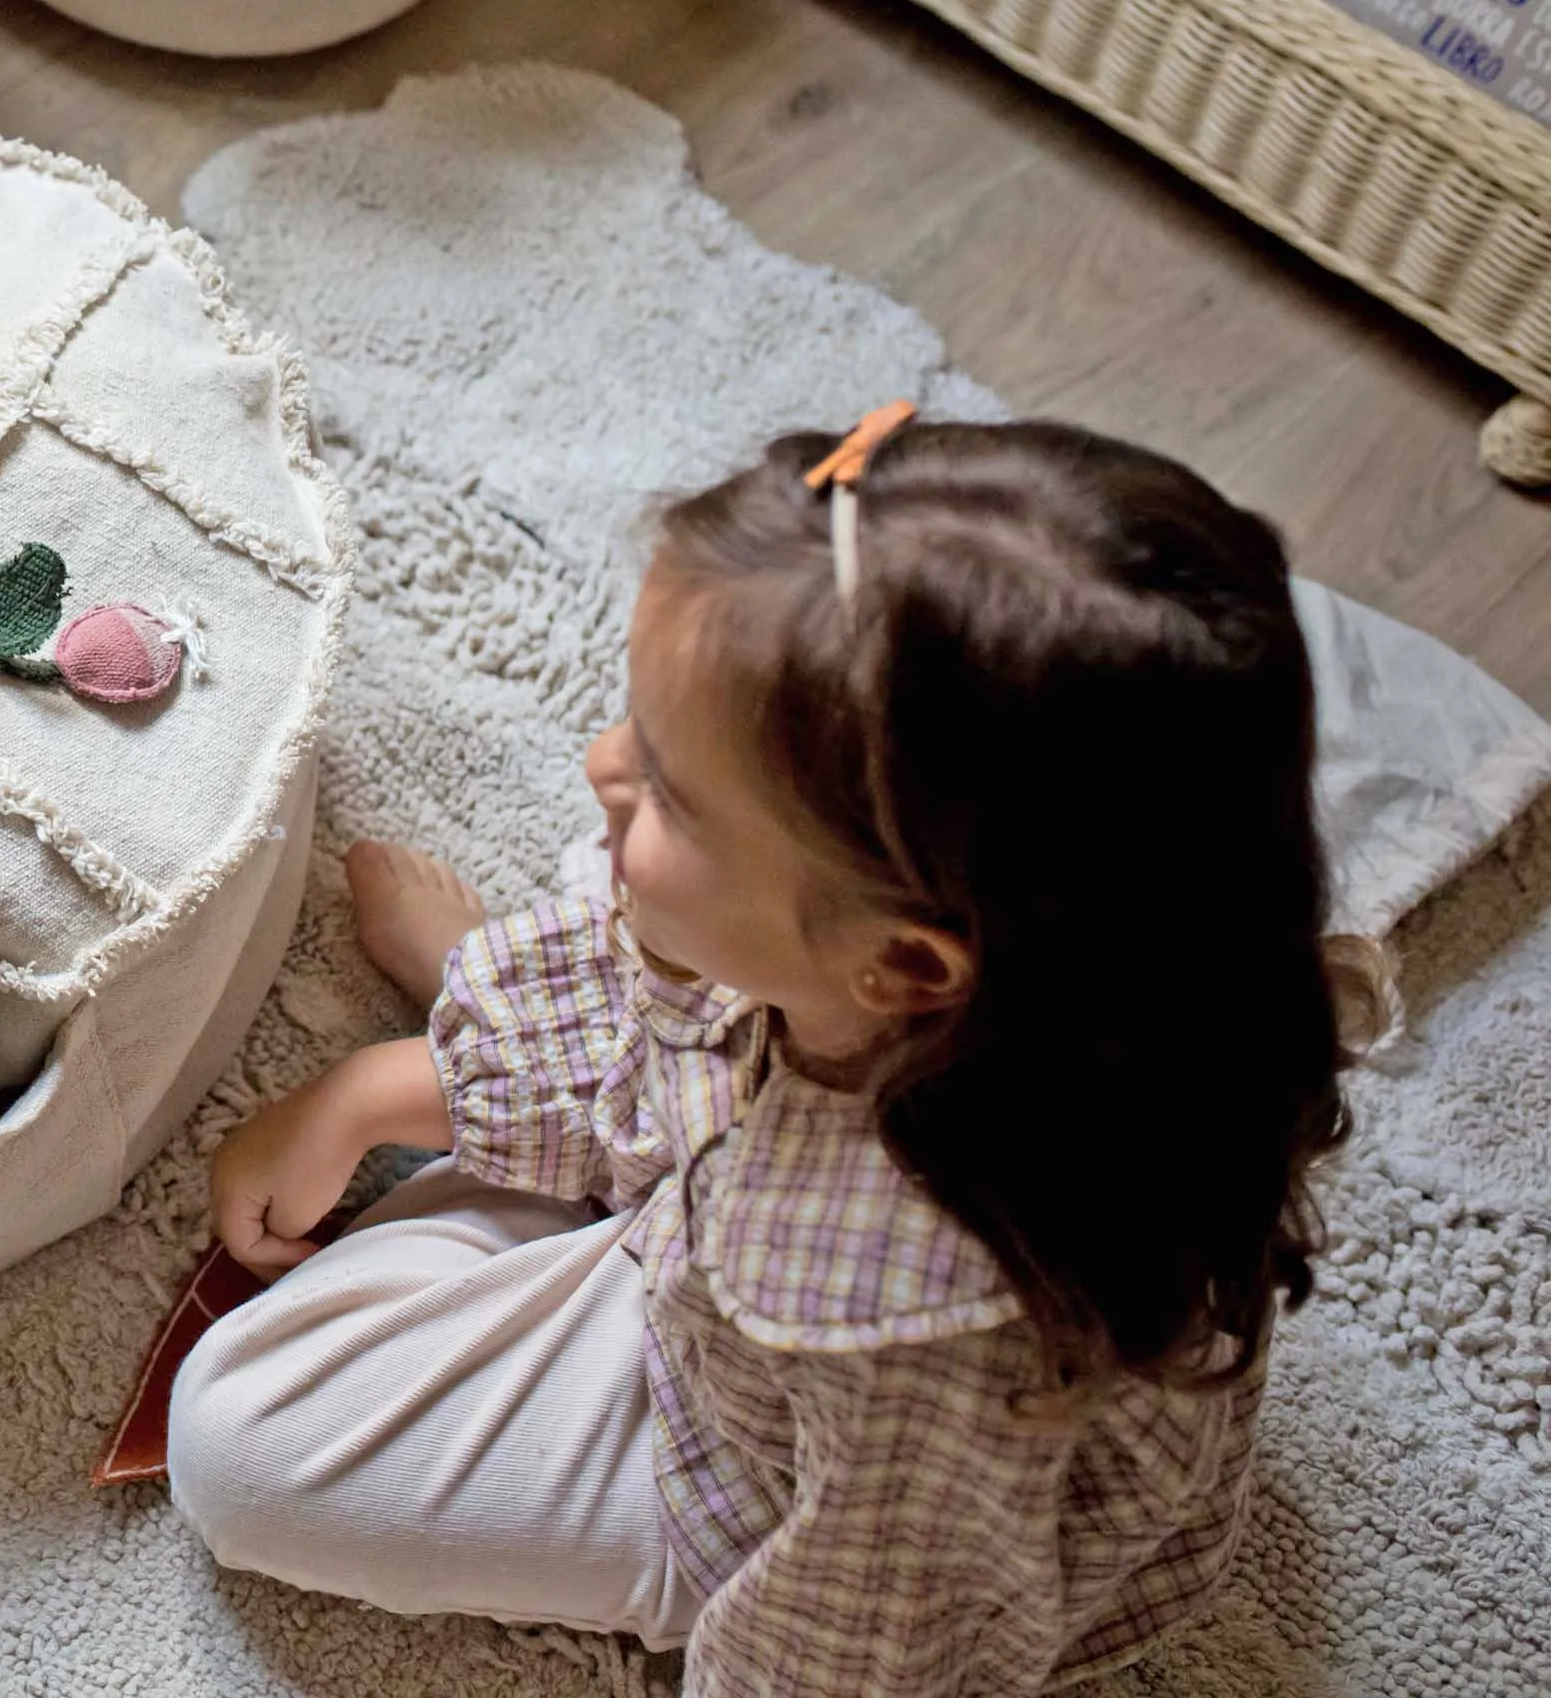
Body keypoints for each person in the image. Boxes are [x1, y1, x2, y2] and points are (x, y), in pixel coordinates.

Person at [173, 409, 1367, 1691]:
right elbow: (686, 1009)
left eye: (666, 784)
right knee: (661, 894)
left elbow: (857, 1644)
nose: (595, 759)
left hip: (779, 1444)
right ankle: (534, 1029)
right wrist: (368, 1093)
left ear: (906, 965)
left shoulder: (910, 1341)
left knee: (238, 1442)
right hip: (764, 1154)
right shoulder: (983, 960)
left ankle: (560, 1091)